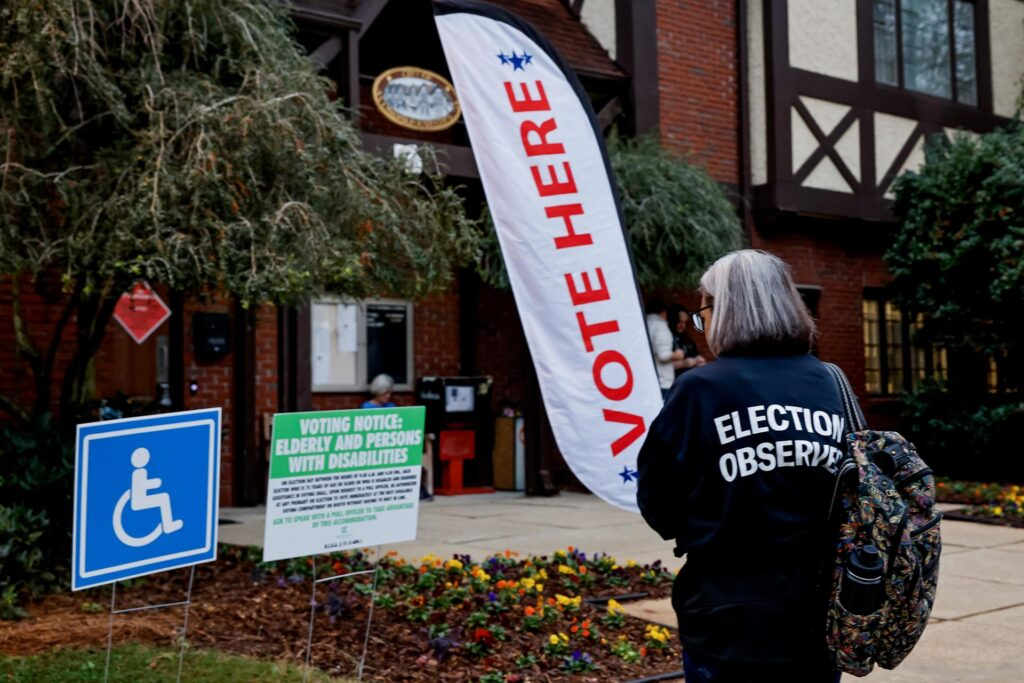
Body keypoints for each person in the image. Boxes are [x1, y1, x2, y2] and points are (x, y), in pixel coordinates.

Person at [637, 250, 844, 683]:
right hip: (821, 613)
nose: (702, 323)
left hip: (728, 617)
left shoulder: (700, 390)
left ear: (727, 310)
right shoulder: (832, 384)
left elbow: (658, 503)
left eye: (704, 310)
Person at [645, 297, 685, 399]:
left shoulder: (643, 325)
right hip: (664, 381)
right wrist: (678, 354)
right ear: (663, 312)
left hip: (649, 380)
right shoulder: (660, 326)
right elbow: (664, 355)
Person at [668, 305, 707, 376]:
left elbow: (696, 354)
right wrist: (683, 363)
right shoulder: (667, 337)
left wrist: (698, 359)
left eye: (685, 322)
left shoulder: (686, 338)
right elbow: (662, 365)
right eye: (679, 321)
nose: (683, 325)